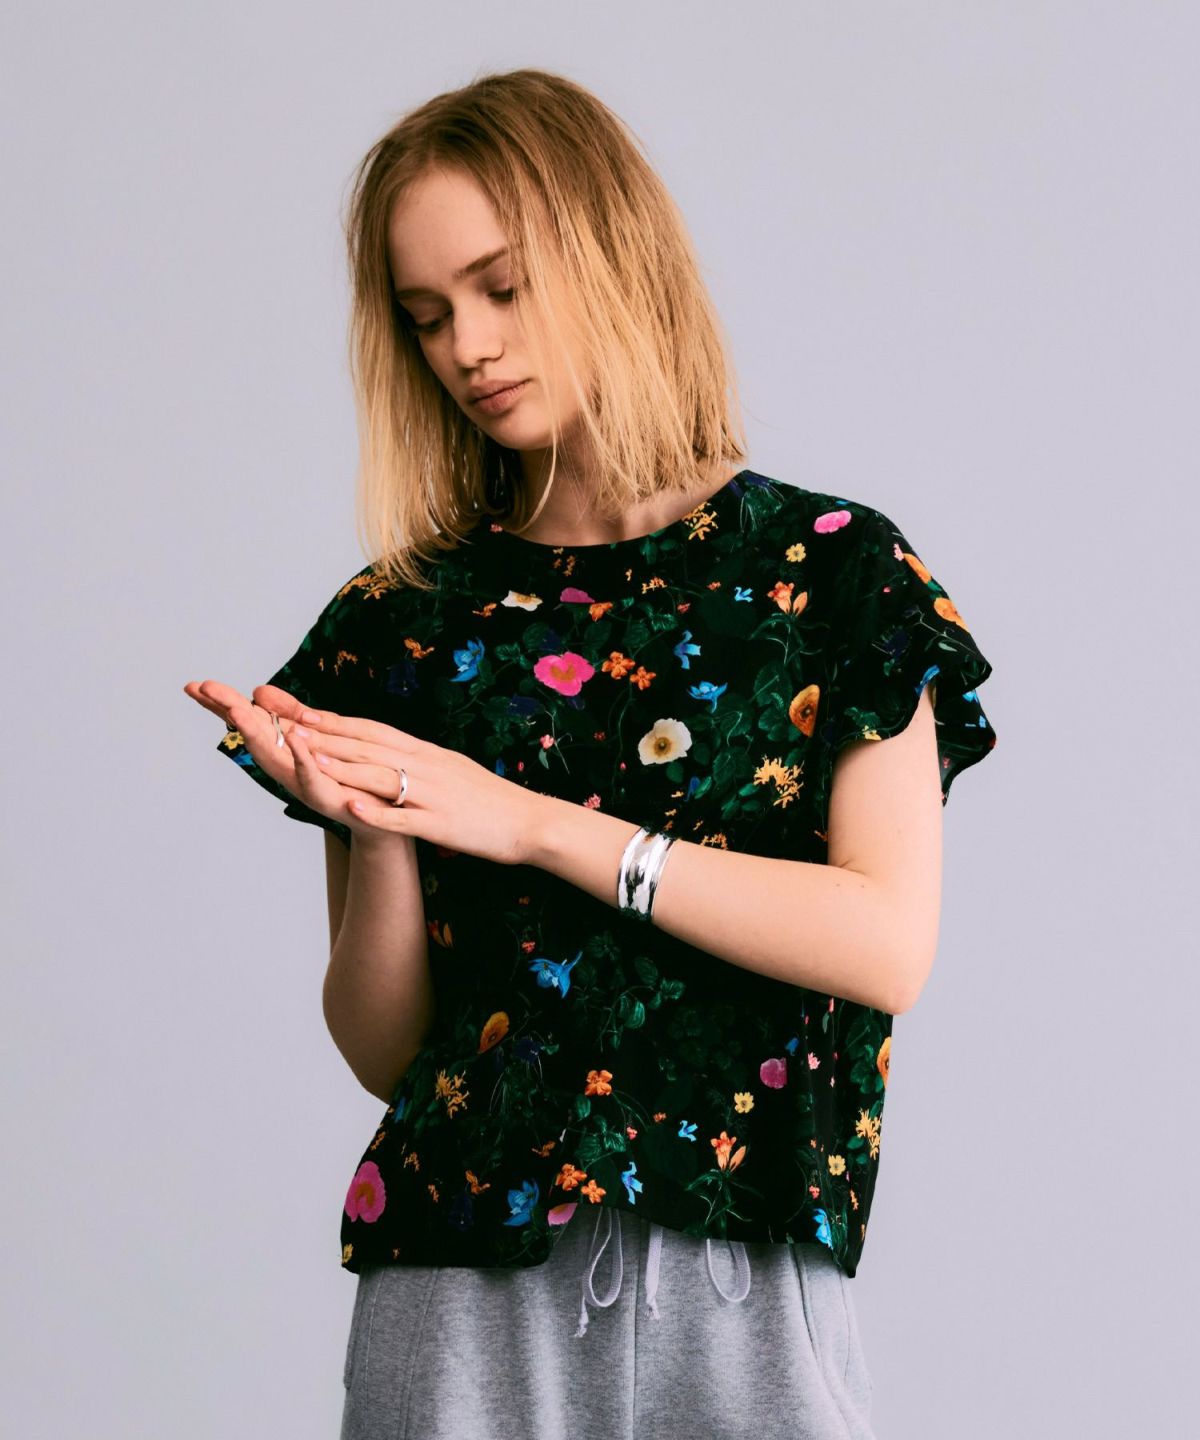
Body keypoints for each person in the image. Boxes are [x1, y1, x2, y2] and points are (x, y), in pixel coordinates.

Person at [185, 67, 996, 1440]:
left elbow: (884, 944)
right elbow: (389, 1052)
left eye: (501, 288)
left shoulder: (835, 575)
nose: (468, 347)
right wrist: (382, 828)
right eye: (427, 315)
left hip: (741, 1275)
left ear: (611, 254)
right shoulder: (399, 619)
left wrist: (529, 823)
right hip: (454, 1283)